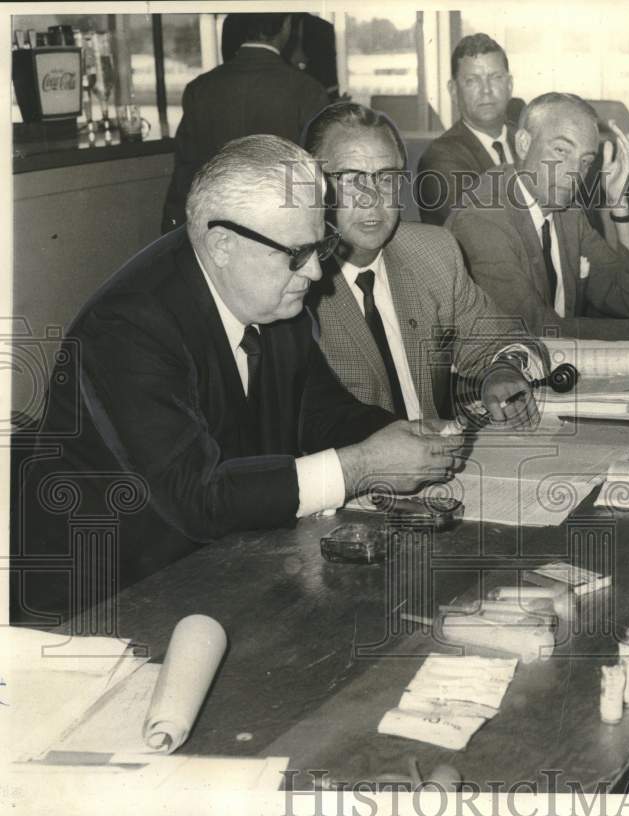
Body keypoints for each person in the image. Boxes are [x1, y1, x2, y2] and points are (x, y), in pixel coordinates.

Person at [14, 135, 468, 621]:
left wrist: (399, 438)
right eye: (297, 253)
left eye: (321, 245)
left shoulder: (271, 291)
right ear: (221, 245)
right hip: (104, 603)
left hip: (223, 571)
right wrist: (362, 465)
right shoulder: (129, 327)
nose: (316, 272)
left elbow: (319, 411)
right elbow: (197, 496)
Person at [303, 102, 539, 424]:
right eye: (350, 178)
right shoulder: (298, 286)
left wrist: (501, 369)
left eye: (386, 178)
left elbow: (505, 339)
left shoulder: (433, 252)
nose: (372, 197)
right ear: (313, 186)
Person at [447, 93, 629, 341]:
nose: (574, 171)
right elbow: (533, 328)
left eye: (586, 161)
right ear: (524, 144)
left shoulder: (566, 211)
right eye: (561, 150)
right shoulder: (483, 218)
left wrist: (621, 210)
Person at [161, 13, 329, 233]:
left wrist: (172, 233)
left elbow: (184, 175)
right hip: (283, 229)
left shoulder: (199, 89)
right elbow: (318, 178)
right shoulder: (308, 90)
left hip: (215, 227)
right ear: (286, 25)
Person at [416, 34, 517, 226]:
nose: (486, 90)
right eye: (472, 80)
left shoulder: (527, 139)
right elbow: (478, 231)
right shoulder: (440, 157)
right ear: (453, 90)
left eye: (496, 78)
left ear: (509, 85)